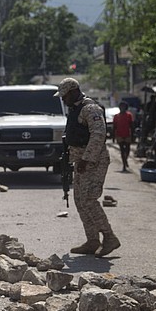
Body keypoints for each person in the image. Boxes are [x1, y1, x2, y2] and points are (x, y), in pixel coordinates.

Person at [55, 78, 120, 257]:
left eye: (64, 96)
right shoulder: (76, 109)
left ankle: (109, 237)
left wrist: (86, 159)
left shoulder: (90, 109)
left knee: (89, 199)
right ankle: (92, 240)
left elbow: (99, 134)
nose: (63, 100)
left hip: (94, 161)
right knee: (79, 200)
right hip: (81, 161)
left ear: (74, 91)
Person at [112, 101, 135, 172]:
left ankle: (126, 160)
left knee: (127, 149)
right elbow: (114, 127)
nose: (122, 108)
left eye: (123, 107)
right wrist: (113, 136)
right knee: (122, 150)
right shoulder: (116, 116)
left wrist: (133, 135)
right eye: (121, 107)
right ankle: (124, 164)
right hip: (119, 135)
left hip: (127, 134)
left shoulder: (129, 115)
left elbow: (131, 125)